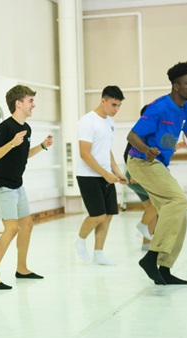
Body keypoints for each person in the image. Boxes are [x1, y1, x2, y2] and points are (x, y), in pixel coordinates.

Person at [126, 61, 187, 286]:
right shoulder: (158, 107)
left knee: (178, 212)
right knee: (178, 200)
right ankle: (151, 257)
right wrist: (147, 150)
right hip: (141, 161)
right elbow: (131, 136)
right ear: (176, 86)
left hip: (159, 164)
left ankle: (165, 267)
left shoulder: (186, 107)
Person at [0, 85, 54, 290]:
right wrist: (12, 143)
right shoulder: (5, 128)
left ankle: (22, 268)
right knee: (12, 228)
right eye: (30, 100)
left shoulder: (27, 128)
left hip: (17, 184)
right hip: (2, 185)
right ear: (19, 104)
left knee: (27, 224)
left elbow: (23, 156)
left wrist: (41, 146)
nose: (34, 104)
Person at [74, 86, 128, 266]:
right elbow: (85, 154)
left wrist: (117, 171)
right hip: (88, 176)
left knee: (109, 215)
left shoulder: (110, 122)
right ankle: (80, 240)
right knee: (97, 215)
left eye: (119, 105)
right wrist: (105, 174)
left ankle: (98, 253)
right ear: (103, 100)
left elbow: (106, 150)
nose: (116, 109)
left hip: (106, 174)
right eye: (113, 104)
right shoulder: (87, 121)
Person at [123, 106, 158, 251]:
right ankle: (143, 226)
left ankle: (146, 244)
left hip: (143, 175)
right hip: (136, 175)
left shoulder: (151, 131)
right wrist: (134, 174)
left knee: (152, 207)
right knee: (156, 205)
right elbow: (127, 154)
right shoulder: (139, 132)